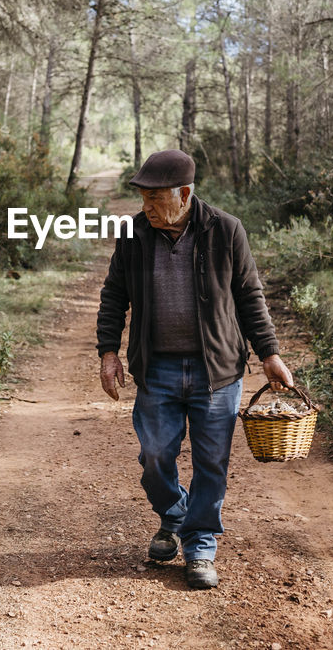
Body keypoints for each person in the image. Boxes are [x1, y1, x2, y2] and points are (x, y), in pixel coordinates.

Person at [96, 149, 294, 590]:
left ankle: (200, 544)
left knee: (211, 463)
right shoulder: (133, 233)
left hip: (217, 372)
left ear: (184, 194)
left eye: (154, 199)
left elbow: (249, 297)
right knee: (155, 456)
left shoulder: (226, 230)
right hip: (158, 368)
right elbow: (114, 295)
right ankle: (175, 515)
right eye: (142, 199)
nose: (145, 208)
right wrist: (108, 351)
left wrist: (269, 352)